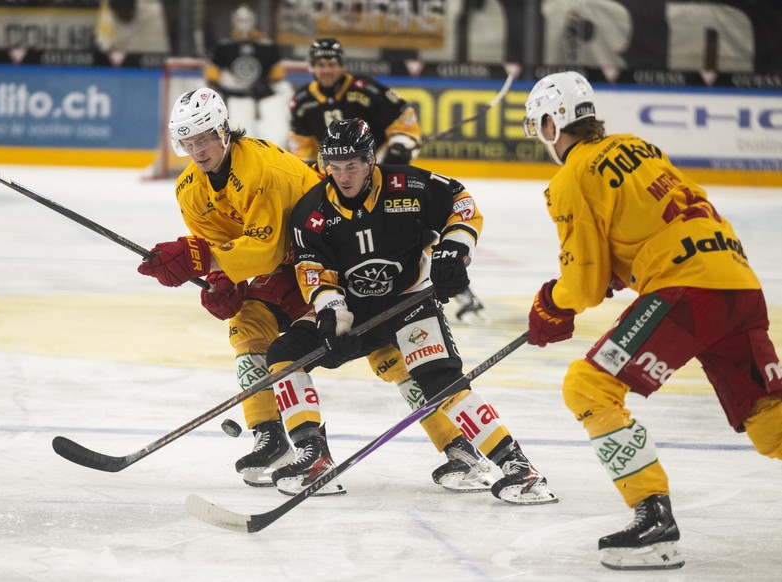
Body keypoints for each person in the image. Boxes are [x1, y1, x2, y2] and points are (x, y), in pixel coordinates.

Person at [136, 87, 495, 494]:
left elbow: (266, 250)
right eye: (188, 142)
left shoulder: (261, 169)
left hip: (331, 256)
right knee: (247, 327)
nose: (197, 150)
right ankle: (271, 438)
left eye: (203, 138)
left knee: (387, 352)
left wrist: (201, 259)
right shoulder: (189, 190)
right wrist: (222, 278)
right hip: (289, 263)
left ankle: (457, 443)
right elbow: (222, 244)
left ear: (223, 132)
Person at [522, 71, 782, 570]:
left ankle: (653, 518)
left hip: (687, 290)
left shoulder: (571, 177)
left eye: (542, 130)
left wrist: (550, 305)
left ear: (553, 125)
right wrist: (630, 263)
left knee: (588, 387)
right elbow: (660, 218)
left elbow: (582, 285)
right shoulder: (640, 146)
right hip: (737, 280)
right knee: (769, 416)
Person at [265, 118, 558, 505]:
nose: (343, 176)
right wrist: (331, 314)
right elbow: (314, 272)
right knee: (283, 354)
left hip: (411, 303)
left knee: (440, 381)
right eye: (335, 167)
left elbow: (462, 203)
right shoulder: (311, 212)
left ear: (370, 160)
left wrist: (455, 247)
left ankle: (517, 466)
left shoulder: (409, 185)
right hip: (356, 311)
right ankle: (313, 456)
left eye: (351, 165)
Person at [289, 38, 487, 324]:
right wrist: (319, 176)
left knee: (412, 233)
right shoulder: (302, 102)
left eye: (331, 63)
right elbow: (301, 150)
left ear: (341, 64)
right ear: (312, 67)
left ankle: (459, 286)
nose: (326, 70)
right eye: (320, 64)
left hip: (379, 178)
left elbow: (403, 116)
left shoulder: (365, 90)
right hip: (339, 182)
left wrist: (401, 143)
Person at [203, 4, 291, 146]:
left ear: (253, 21)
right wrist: (222, 83)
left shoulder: (267, 46)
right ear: (234, 22)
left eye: (247, 20)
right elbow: (212, 75)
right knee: (243, 135)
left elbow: (278, 77)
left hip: (266, 98)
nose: (244, 24)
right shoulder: (223, 47)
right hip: (236, 99)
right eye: (240, 21)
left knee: (277, 134)